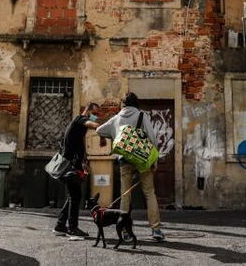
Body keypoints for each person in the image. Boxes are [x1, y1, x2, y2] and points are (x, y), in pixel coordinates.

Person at [97, 92, 165, 241]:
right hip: (142, 160)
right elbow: (152, 138)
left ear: (123, 104)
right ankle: (156, 230)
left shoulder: (116, 119)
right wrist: (154, 160)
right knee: (149, 193)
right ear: (136, 104)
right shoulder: (142, 116)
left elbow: (99, 130)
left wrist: (113, 135)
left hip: (124, 160)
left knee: (125, 195)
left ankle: (125, 232)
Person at [54, 102, 101, 239]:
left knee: (72, 196)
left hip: (74, 165)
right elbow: (94, 125)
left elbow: (80, 146)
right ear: (87, 111)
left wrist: (84, 161)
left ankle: (60, 225)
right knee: (75, 196)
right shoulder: (79, 120)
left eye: (97, 115)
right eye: (95, 114)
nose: (96, 117)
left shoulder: (80, 129)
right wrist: (105, 130)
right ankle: (72, 228)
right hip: (70, 167)